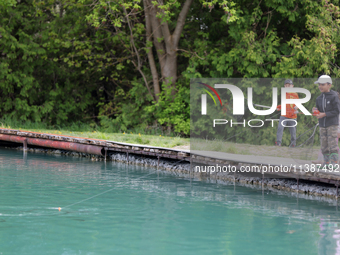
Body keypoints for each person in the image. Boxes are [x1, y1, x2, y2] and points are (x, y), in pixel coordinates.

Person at [314, 75, 340, 167]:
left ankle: (334, 163)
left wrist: (324, 114)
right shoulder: (318, 98)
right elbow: (319, 110)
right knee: (324, 145)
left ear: (329, 85)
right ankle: (326, 162)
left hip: (332, 124)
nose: (320, 86)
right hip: (322, 124)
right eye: (319, 85)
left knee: (332, 144)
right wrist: (316, 112)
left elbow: (337, 111)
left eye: (322, 84)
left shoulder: (334, 96)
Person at [275, 79, 299, 147]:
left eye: (289, 85)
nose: (287, 87)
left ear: (292, 86)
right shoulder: (284, 94)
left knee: (293, 132)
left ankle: (293, 144)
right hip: (284, 115)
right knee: (280, 128)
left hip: (292, 116)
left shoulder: (295, 94)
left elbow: (297, 104)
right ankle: (278, 143)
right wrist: (279, 107)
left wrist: (296, 107)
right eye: (286, 86)